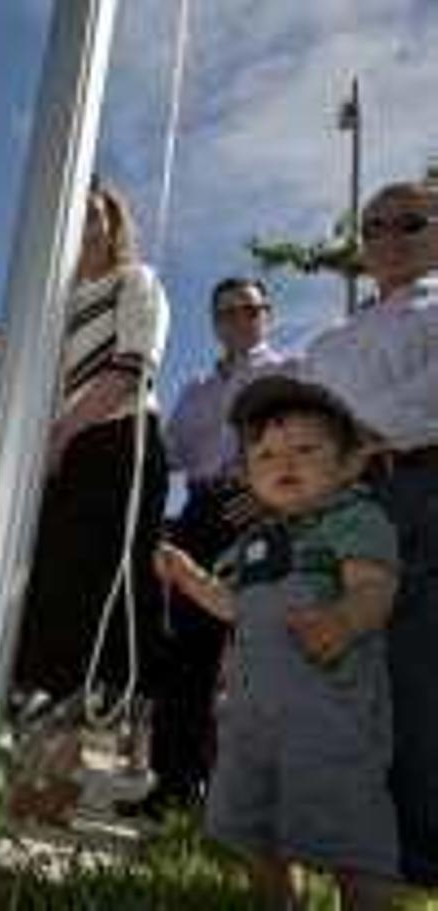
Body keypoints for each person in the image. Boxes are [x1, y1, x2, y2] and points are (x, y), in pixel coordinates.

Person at [156, 376, 402, 911]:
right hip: (254, 718)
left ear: (349, 463)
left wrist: (342, 620)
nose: (284, 461)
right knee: (252, 822)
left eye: (306, 449)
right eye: (265, 454)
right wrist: (192, 577)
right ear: (247, 477)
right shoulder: (255, 541)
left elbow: (375, 587)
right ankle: (279, 901)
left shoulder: (354, 518)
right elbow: (233, 605)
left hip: (333, 719)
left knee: (349, 833)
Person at [303, 179, 438, 886]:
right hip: (340, 508)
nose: (388, 236)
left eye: (409, 222)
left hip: (421, 491)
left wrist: (346, 435)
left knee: (417, 673)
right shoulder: (335, 337)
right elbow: (300, 413)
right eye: (374, 225)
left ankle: (418, 857)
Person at [13, 177, 170, 709]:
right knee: (51, 579)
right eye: (76, 216)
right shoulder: (52, 308)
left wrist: (63, 434)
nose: (87, 227)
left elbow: (132, 367)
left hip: (117, 441)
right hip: (61, 453)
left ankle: (113, 716)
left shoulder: (135, 281)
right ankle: (43, 715)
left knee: (108, 579)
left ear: (115, 224)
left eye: (97, 215)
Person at [141, 277, 294, 813]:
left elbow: (304, 444)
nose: (238, 321)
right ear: (214, 322)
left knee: (253, 652)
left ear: (267, 314)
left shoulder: (287, 373)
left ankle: (247, 797)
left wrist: (271, 490)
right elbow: (173, 453)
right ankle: (174, 786)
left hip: (257, 511)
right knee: (185, 653)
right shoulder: (196, 389)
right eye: (226, 312)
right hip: (200, 513)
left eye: (248, 310)